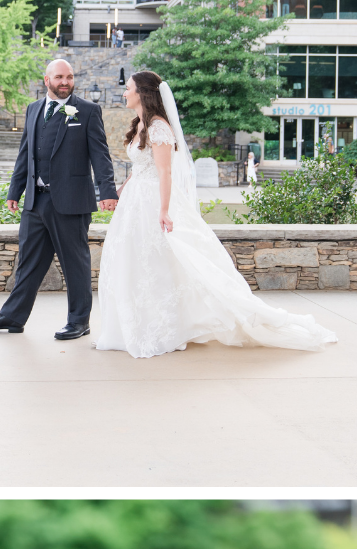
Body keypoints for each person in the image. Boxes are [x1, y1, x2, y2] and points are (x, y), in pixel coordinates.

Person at [96, 70, 336, 359]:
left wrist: (163, 210)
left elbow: (165, 171)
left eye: (129, 88)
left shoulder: (159, 127)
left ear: (143, 93)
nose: (125, 92)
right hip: (134, 202)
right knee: (137, 262)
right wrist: (118, 193)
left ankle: (163, 328)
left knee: (157, 263)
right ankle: (136, 324)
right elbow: (139, 170)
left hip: (151, 203)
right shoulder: (140, 126)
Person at [0, 58, 118, 341]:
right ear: (47, 80)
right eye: (59, 77)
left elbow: (101, 155)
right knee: (28, 262)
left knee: (74, 263)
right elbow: (25, 153)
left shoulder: (88, 111)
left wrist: (108, 191)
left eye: (70, 77)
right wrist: (14, 191)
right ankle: (13, 316)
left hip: (71, 201)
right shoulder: (33, 109)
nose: (65, 82)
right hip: (35, 201)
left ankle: (79, 321)